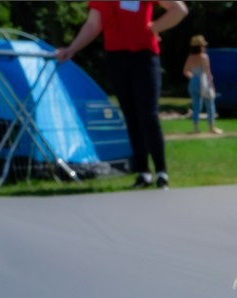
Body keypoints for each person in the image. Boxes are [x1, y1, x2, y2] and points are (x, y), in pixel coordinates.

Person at [56, 1, 188, 190]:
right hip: (117, 58)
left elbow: (180, 9)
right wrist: (72, 49)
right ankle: (143, 172)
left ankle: (161, 172)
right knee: (131, 115)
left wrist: (154, 27)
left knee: (148, 115)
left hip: (144, 57)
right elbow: (93, 25)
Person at [183, 34, 220, 134]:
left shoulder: (190, 57)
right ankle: (211, 127)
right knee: (210, 104)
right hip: (203, 82)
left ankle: (195, 128)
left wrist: (193, 77)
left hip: (193, 82)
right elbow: (208, 73)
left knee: (196, 106)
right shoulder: (204, 56)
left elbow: (185, 70)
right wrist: (211, 84)